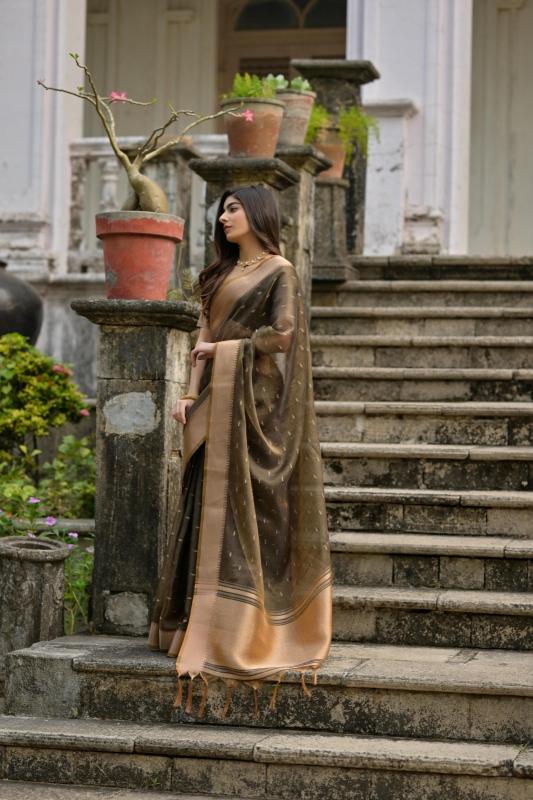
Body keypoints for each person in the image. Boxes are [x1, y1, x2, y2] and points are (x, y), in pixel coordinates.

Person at [148, 183, 332, 714]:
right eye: (222, 210)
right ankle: (191, 623)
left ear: (257, 213)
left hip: (257, 403)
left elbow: (282, 336)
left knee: (248, 510)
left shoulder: (280, 272)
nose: (224, 217)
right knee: (203, 502)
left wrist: (224, 350)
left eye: (233, 209)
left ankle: (250, 627)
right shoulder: (221, 274)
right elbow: (201, 335)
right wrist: (189, 392)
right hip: (216, 396)